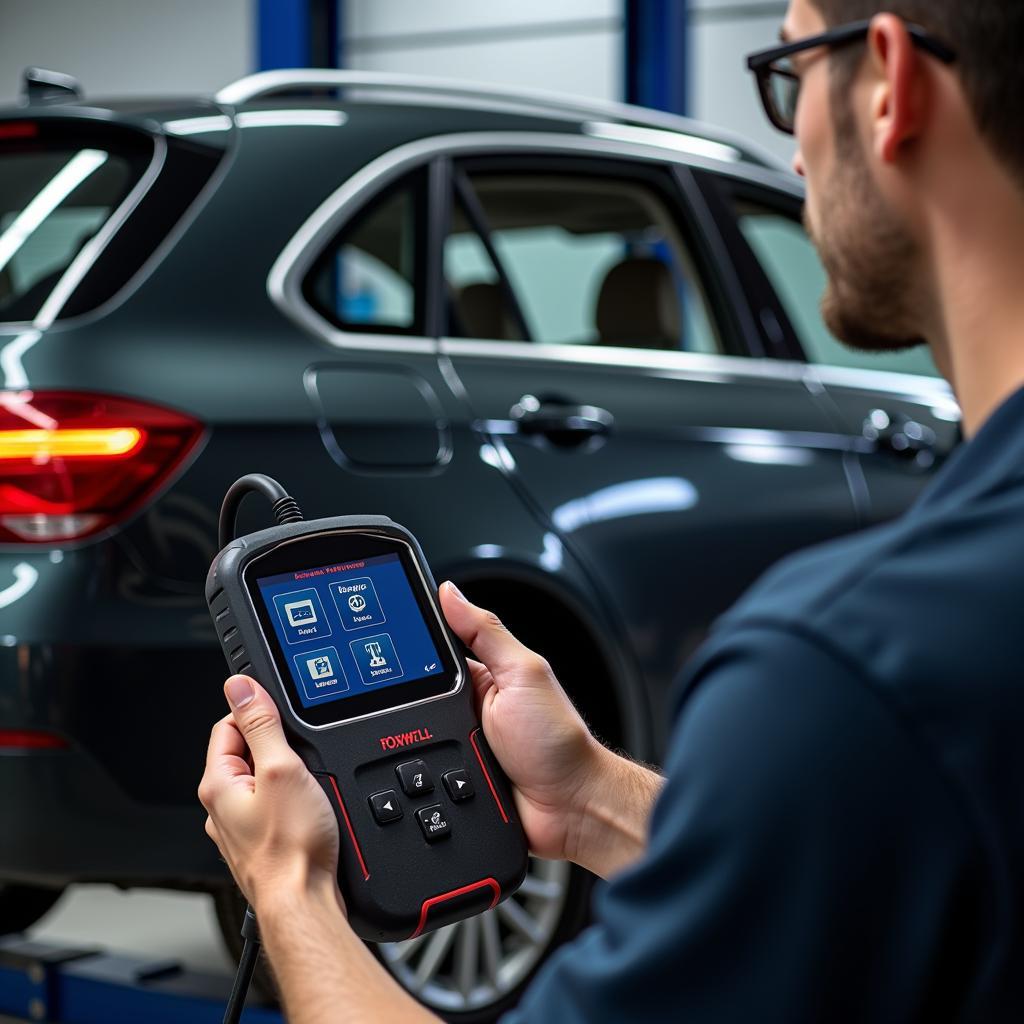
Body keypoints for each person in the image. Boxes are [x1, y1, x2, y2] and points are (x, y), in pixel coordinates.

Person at [198, 0, 1024, 1018]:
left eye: (790, 67)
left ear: (888, 84)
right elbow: (873, 870)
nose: (797, 153)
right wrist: (588, 791)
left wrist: (288, 891)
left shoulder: (839, 671)